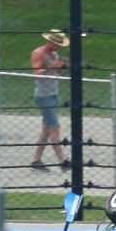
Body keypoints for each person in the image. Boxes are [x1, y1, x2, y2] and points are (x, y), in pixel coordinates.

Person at [30, 29, 70, 171]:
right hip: (43, 96)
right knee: (55, 127)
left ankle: (36, 160)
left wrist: (61, 67)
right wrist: (52, 66)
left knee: (46, 129)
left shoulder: (55, 54)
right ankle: (64, 161)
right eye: (57, 44)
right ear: (50, 41)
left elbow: (57, 72)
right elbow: (36, 74)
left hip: (54, 94)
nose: (59, 47)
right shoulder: (39, 53)